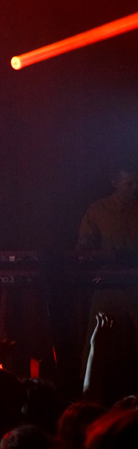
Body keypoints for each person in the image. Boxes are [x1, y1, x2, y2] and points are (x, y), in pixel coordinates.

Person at [77, 163, 138, 402]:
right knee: (95, 333)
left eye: (137, 184)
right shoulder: (98, 209)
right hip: (109, 285)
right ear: (115, 182)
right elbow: (84, 243)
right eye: (129, 184)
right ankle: (85, 397)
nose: (135, 188)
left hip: (136, 285)